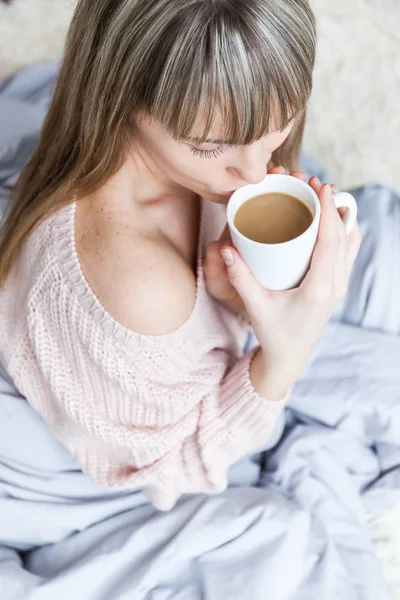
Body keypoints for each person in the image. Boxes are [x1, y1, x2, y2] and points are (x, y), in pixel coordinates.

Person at [0, 0, 361, 513]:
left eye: (279, 122)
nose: (257, 173)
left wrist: (232, 304)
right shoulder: (142, 290)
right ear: (119, 93)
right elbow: (172, 470)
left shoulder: (199, 147)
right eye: (213, 146)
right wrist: (283, 358)